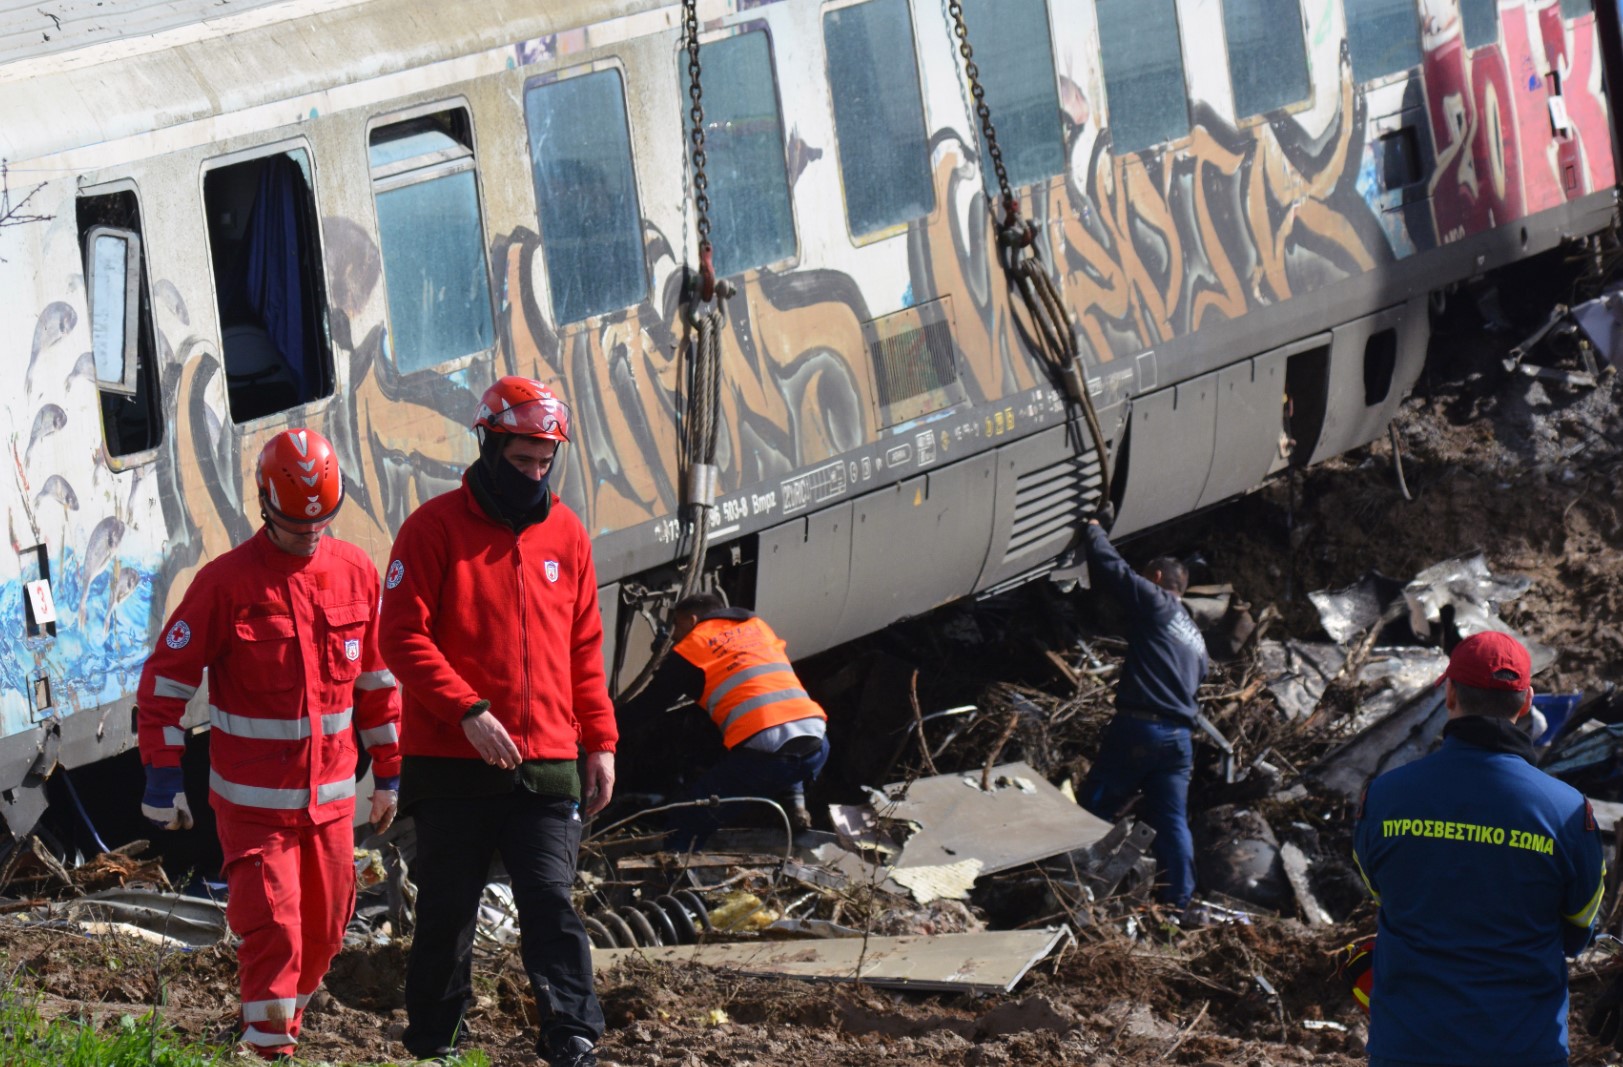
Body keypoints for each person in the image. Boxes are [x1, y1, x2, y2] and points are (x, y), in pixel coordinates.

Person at [136, 428, 402, 1062]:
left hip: (332, 806)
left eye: (321, 522)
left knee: (328, 929)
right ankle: (268, 1050)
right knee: (275, 931)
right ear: (264, 503)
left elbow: (377, 682)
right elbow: (164, 684)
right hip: (254, 810)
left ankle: (280, 1021)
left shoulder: (356, 572)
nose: (309, 534)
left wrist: (390, 773)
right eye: (293, 523)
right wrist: (161, 775)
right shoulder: (225, 584)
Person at [378, 375, 616, 1067]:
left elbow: (583, 646)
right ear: (487, 444)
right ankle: (435, 1043)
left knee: (549, 898)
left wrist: (599, 741)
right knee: (446, 911)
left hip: (546, 761)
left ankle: (572, 1032)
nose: (534, 474)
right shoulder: (431, 530)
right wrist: (466, 710)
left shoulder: (566, 533)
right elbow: (401, 636)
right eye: (521, 461)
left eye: (544, 463)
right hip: (452, 766)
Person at [1353, 631, 1605, 1067]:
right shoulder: (1567, 811)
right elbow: (1580, 925)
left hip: (1408, 1046)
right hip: (1523, 1048)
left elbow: (1382, 893)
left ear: (1449, 693)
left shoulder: (1384, 796)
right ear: (1526, 702)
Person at [618, 592, 830, 850]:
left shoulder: (690, 649)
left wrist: (598, 730)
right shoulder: (756, 626)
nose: (673, 634)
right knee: (786, 744)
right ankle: (795, 801)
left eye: (677, 624)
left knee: (689, 815)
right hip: (817, 743)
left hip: (768, 757)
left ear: (693, 619)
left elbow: (648, 707)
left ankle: (676, 874)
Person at [1075, 515, 1207, 912]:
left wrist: (1093, 529)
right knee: (1172, 822)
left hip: (1141, 729)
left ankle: (1071, 876)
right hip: (1180, 741)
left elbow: (1114, 571)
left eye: (1146, 576)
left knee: (1095, 802)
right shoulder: (1197, 640)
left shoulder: (1157, 602)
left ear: (1158, 577)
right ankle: (1179, 904)